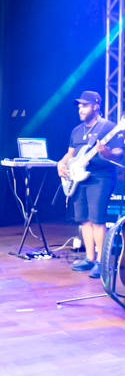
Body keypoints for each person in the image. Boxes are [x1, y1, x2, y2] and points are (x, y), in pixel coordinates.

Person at [57, 91, 124, 278]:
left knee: (97, 219)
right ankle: (90, 258)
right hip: (79, 178)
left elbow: (118, 153)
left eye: (84, 105)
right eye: (79, 106)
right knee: (84, 219)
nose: (80, 109)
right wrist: (61, 163)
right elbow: (70, 154)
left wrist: (107, 152)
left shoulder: (109, 127)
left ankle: (102, 263)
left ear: (95, 106)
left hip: (100, 177)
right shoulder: (76, 130)